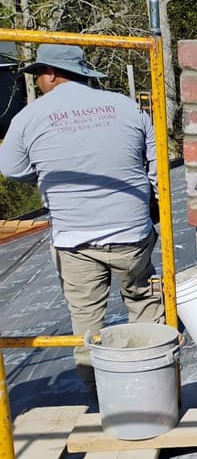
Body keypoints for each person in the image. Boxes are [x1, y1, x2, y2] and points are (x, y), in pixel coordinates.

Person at [0, 43, 164, 390]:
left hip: (74, 238)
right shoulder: (126, 106)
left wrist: (46, 174)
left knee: (87, 319)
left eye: (39, 75)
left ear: (52, 74)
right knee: (143, 299)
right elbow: (155, 166)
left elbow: (12, 169)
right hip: (130, 231)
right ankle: (153, 381)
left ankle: (104, 395)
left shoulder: (28, 117)